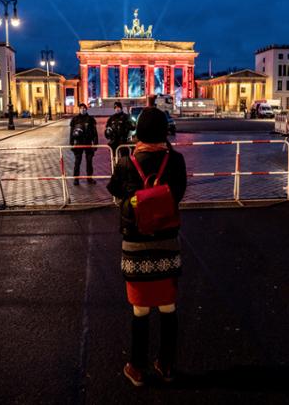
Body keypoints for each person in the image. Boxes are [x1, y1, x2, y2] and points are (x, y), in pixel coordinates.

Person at [107, 107, 187, 386]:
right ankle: (166, 365)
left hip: (136, 243)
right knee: (168, 306)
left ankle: (137, 367)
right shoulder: (176, 161)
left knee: (139, 309)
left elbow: (113, 189)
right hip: (166, 241)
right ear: (164, 131)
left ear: (138, 131)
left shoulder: (127, 162)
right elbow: (178, 194)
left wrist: (134, 199)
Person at [70, 103, 99, 185]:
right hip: (79, 144)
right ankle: (76, 179)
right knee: (77, 162)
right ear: (79, 109)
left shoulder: (90, 119)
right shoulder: (75, 119)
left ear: (86, 109)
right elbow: (71, 133)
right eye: (81, 108)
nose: (83, 109)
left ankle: (89, 178)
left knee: (89, 162)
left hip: (88, 143)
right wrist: (71, 144)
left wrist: (95, 143)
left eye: (84, 108)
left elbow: (94, 133)